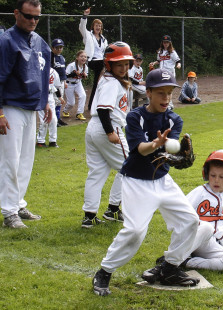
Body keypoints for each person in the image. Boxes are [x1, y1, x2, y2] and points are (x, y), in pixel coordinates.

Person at [92, 69, 204, 296]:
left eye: (169, 93)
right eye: (160, 93)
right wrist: (156, 144)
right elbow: (141, 150)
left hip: (162, 180)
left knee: (190, 221)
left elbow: (170, 150)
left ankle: (169, 267)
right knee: (134, 231)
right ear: (148, 93)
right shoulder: (135, 117)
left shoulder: (174, 119)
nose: (166, 98)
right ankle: (104, 272)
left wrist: (179, 158)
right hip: (137, 181)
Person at [142, 150, 223, 282]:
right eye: (213, 175)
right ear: (206, 174)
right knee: (206, 227)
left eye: (221, 176)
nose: (216, 180)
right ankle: (171, 262)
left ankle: (186, 262)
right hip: (194, 238)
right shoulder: (200, 192)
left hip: (212, 246)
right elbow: (180, 215)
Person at [0, 0, 51, 229]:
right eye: (28, 15)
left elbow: (43, 75)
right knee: (9, 161)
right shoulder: (5, 42)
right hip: (9, 107)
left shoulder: (38, 41)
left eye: (36, 17)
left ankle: (18, 204)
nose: (32, 20)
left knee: (25, 161)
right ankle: (9, 212)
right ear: (16, 14)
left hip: (30, 108)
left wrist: (45, 103)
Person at [81, 42, 134, 228]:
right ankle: (112, 209)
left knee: (97, 173)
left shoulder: (108, 80)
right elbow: (104, 110)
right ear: (109, 65)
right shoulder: (112, 83)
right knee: (129, 168)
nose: (124, 68)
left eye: (126, 64)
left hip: (93, 129)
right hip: (107, 127)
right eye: (119, 64)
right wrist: (110, 132)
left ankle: (89, 216)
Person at [79, 7, 108, 111]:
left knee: (97, 83)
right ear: (93, 26)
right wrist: (85, 16)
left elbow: (106, 52)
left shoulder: (104, 39)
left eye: (100, 26)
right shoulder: (88, 35)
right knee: (101, 67)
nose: (98, 27)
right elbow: (82, 27)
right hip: (92, 61)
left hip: (102, 63)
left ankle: (92, 105)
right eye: (96, 25)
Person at [149, 35, 181, 110]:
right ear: (162, 43)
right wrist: (154, 63)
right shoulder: (160, 51)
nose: (165, 44)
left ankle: (170, 104)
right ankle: (167, 104)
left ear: (170, 43)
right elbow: (159, 60)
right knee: (163, 88)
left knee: (169, 88)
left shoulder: (172, 52)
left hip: (170, 72)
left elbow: (178, 61)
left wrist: (178, 65)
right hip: (162, 72)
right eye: (164, 42)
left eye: (167, 42)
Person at [36, 68, 64, 148]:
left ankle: (53, 141)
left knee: (54, 119)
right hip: (40, 95)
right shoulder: (37, 69)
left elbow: (56, 86)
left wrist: (59, 97)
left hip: (50, 95)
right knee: (44, 119)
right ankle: (40, 141)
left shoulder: (53, 71)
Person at [62, 50, 88, 120]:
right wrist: (74, 74)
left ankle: (79, 113)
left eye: (85, 57)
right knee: (71, 103)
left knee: (83, 95)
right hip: (69, 83)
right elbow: (65, 76)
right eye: (81, 56)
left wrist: (84, 76)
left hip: (78, 83)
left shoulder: (85, 67)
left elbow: (84, 77)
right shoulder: (71, 65)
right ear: (77, 57)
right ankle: (65, 111)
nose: (83, 58)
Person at [50, 38, 68, 127]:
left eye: (61, 47)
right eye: (57, 48)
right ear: (52, 48)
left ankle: (58, 118)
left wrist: (65, 81)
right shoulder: (51, 57)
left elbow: (63, 71)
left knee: (59, 101)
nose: (59, 49)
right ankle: (54, 119)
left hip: (61, 81)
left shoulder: (62, 58)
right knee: (56, 100)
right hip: (54, 82)